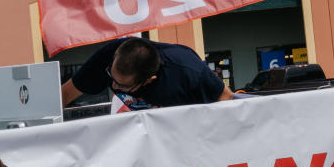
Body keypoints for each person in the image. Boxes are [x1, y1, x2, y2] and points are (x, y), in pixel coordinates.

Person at [61, 37, 233, 110]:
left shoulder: (187, 70)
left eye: (122, 85)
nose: (114, 86)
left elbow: (225, 97)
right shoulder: (106, 57)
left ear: (149, 80)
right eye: (112, 77)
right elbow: (64, 94)